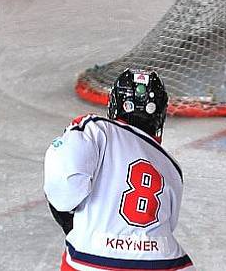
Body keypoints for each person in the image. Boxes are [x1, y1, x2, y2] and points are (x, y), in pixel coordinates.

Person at [43, 69, 195, 271]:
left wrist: (71, 223)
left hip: (94, 260)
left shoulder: (96, 128)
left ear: (114, 104)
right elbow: (166, 225)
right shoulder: (171, 166)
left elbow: (63, 180)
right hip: (168, 264)